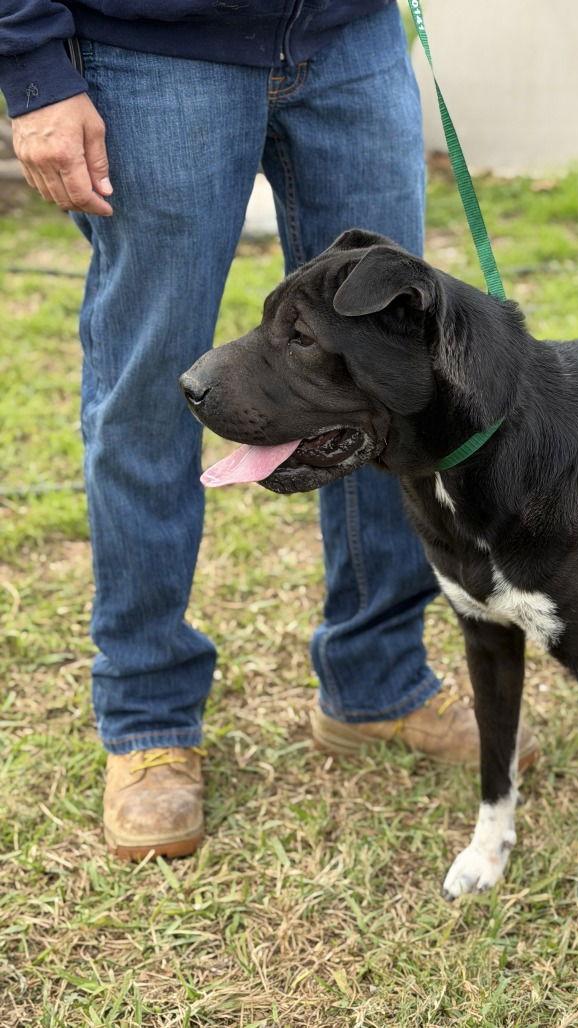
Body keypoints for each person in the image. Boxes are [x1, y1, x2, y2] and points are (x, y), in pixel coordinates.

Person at [2, 0, 535, 861]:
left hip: (350, 33)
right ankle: (148, 719)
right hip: (151, 48)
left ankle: (378, 679)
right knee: (149, 389)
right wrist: (32, 68)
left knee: (384, 377)